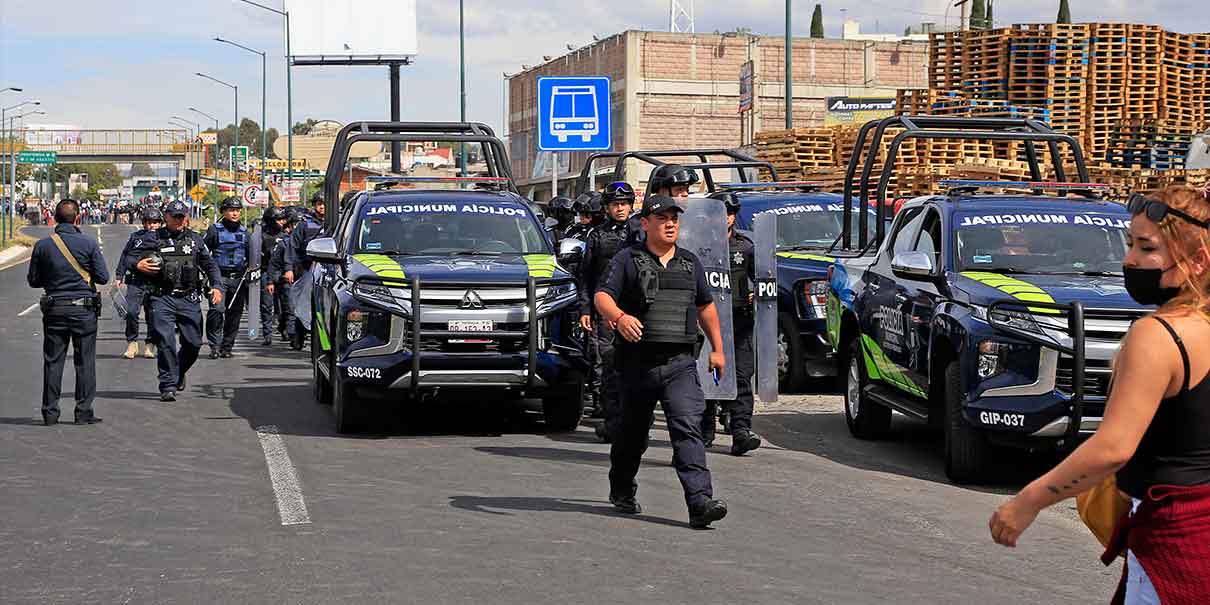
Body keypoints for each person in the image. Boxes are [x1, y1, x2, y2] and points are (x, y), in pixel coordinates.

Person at [989, 186, 1210, 603]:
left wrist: (1028, 501)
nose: (1129, 260)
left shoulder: (1158, 336)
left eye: (1147, 248)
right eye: (1130, 244)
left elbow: (1112, 449)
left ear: (1197, 261)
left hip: (1175, 543)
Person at [594, 194, 729, 528]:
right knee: (632, 435)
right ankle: (622, 488)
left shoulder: (689, 263)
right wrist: (620, 317)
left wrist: (718, 348)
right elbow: (602, 296)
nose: (670, 224)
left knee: (688, 429)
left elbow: (705, 307)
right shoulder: (628, 259)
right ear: (645, 224)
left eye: (674, 218)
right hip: (637, 365)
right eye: (662, 218)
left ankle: (700, 503)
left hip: (679, 364)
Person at [27, 200, 108, 425]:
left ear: (54, 217)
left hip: (55, 309)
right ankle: (83, 412)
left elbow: (33, 281)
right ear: (78, 217)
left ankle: (50, 413)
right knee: (85, 362)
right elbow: (103, 278)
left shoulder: (43, 245)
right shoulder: (89, 243)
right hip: (84, 311)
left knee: (53, 361)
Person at [136, 200, 223, 402]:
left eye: (182, 216)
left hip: (189, 298)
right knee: (165, 341)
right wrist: (137, 264)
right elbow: (130, 258)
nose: (179, 220)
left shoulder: (195, 240)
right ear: (166, 217)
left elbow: (210, 265)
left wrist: (216, 286)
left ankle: (178, 371)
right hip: (161, 297)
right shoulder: (152, 238)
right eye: (175, 216)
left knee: (193, 343)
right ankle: (168, 385)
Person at [701, 191, 762, 455]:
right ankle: (703, 433)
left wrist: (756, 291)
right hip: (707, 323)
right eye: (718, 212)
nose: (723, 218)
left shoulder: (745, 247)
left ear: (733, 217)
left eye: (728, 213)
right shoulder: (698, 245)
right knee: (707, 378)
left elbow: (763, 277)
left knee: (741, 377)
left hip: (739, 322)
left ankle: (741, 431)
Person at [579, 181, 636, 442]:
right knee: (607, 363)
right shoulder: (597, 235)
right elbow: (587, 277)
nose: (620, 208)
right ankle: (611, 419)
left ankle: (633, 419)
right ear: (608, 207)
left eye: (624, 204)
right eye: (616, 204)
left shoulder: (640, 231)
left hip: (635, 308)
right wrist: (586, 308)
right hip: (605, 309)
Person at [203, 197, 253, 359]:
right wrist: (205, 276)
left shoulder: (245, 233)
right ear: (223, 212)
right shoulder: (214, 230)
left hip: (238, 280)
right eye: (231, 210)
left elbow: (251, 257)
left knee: (234, 315)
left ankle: (227, 346)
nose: (235, 213)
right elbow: (203, 253)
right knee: (216, 311)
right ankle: (214, 345)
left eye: (237, 210)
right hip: (219, 279)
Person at [115, 207, 164, 359]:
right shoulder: (136, 238)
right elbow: (126, 256)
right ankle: (132, 342)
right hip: (136, 282)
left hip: (156, 283)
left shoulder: (165, 238)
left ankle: (150, 344)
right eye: (149, 222)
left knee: (153, 315)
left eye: (155, 223)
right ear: (144, 223)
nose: (152, 226)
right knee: (131, 312)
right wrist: (119, 276)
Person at [284, 193, 326, 350]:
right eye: (319, 203)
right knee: (304, 304)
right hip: (307, 270)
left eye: (324, 203)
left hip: (329, 270)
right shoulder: (304, 224)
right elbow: (292, 246)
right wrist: (288, 269)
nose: (322, 206)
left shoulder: (337, 221)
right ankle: (298, 337)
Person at [267, 207, 300, 346]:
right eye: (295, 224)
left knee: (297, 309)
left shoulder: (303, 242)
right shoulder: (283, 243)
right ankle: (293, 336)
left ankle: (285, 327)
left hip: (302, 279)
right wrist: (270, 281)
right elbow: (273, 264)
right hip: (285, 281)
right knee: (290, 309)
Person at [256, 206, 287, 346]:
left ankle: (285, 329)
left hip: (282, 273)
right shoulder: (260, 236)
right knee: (267, 305)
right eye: (279, 219)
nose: (282, 221)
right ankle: (267, 334)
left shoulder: (285, 236)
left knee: (286, 304)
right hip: (265, 273)